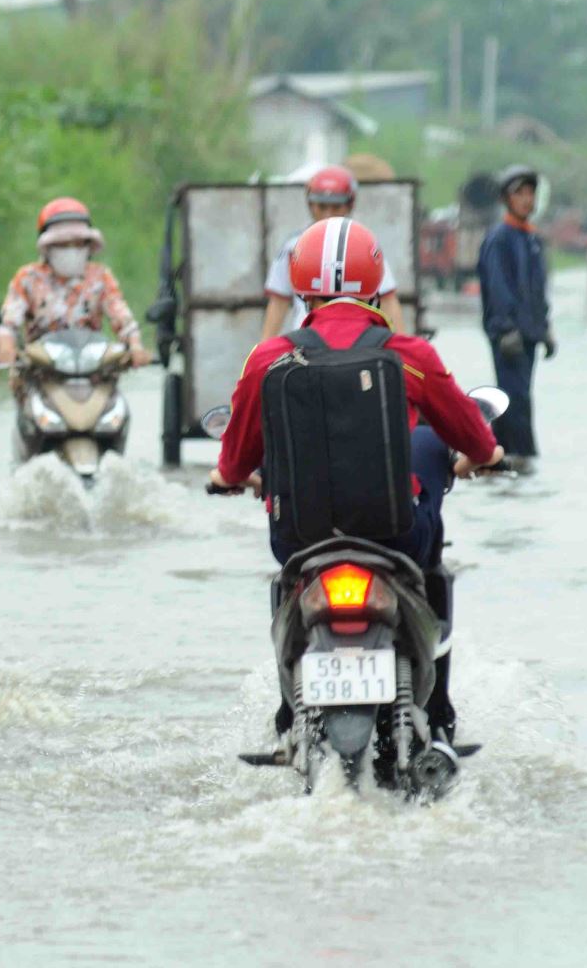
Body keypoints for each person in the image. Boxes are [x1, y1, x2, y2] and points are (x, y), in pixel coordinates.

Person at [209, 217, 502, 737]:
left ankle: (288, 712)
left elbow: (236, 458)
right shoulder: (410, 356)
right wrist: (483, 455)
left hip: (301, 537)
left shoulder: (270, 358)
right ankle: (438, 718)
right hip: (396, 536)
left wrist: (232, 476)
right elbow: (472, 437)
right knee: (432, 546)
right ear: (374, 284)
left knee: (286, 581)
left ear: (300, 283)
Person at [0, 197, 151, 368]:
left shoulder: (100, 277)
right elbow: (9, 324)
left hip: (94, 374)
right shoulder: (28, 278)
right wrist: (6, 347)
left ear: (89, 246)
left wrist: (135, 346)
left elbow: (121, 317)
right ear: (47, 247)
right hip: (39, 376)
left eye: (78, 243)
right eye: (62, 244)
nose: (71, 250)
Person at [259, 166, 406, 340]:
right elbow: (278, 303)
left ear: (350, 204)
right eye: (322, 206)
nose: (328, 214)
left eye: (336, 207)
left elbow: (388, 299)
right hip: (306, 343)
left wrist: (403, 347)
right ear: (310, 204)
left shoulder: (364, 246)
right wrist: (263, 351)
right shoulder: (293, 246)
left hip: (358, 342)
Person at [476, 164, 555, 466]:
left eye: (531, 193)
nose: (526, 199)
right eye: (519, 193)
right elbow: (498, 288)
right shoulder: (500, 238)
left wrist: (545, 328)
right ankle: (519, 460)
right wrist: (505, 328)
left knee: (520, 399)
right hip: (509, 335)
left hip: (529, 333)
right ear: (506, 199)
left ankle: (503, 459)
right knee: (515, 399)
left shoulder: (531, 238)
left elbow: (537, 289)